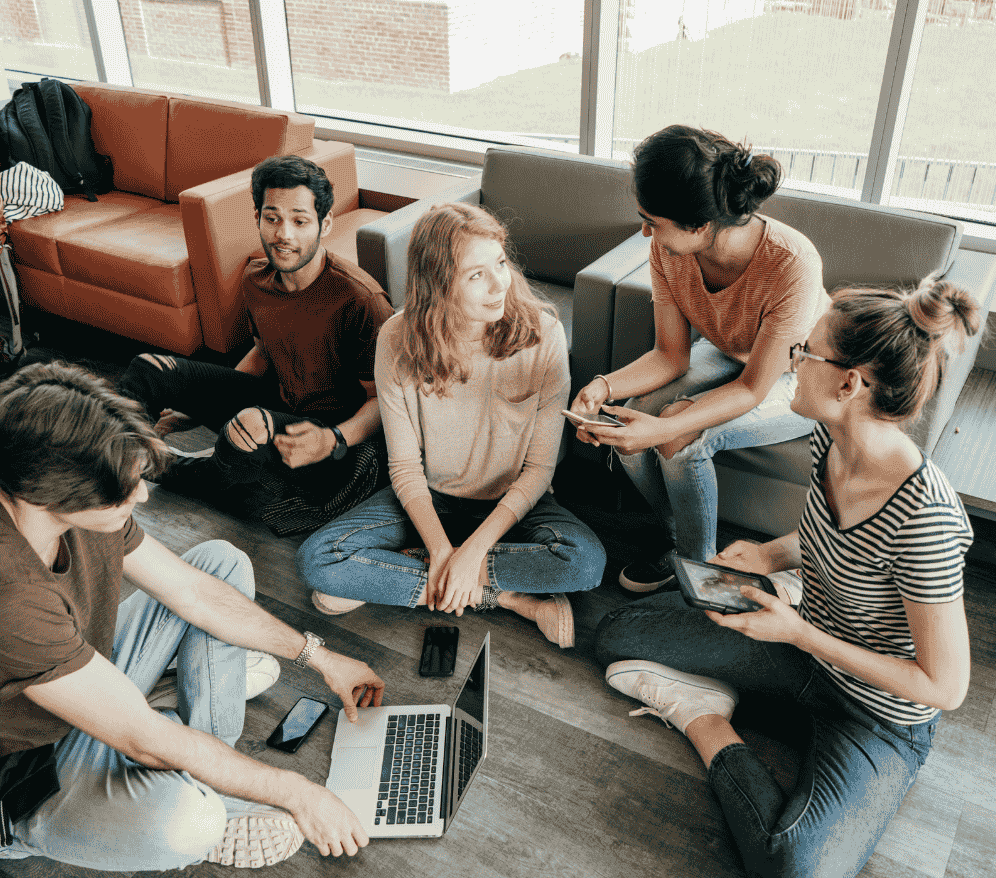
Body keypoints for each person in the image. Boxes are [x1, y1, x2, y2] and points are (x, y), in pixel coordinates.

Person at [592, 277, 978, 878]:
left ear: (850, 384)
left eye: (807, 352)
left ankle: (703, 717)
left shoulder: (925, 522)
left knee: (793, 876)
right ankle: (745, 693)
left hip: (876, 713)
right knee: (616, 635)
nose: (791, 363)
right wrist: (769, 554)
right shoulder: (831, 438)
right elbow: (828, 535)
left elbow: (944, 688)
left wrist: (797, 631)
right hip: (803, 648)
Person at [0, 362, 386, 871]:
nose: (140, 496)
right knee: (190, 824)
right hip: (31, 768)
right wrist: (296, 790)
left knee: (221, 563)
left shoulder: (75, 501)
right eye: (123, 490)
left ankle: (197, 755)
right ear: (46, 494)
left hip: (80, 675)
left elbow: (194, 593)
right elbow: (144, 738)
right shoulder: (11, 592)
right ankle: (36, 829)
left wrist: (321, 657)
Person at [295, 203, 607, 647]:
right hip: (430, 498)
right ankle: (505, 598)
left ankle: (406, 573)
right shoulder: (397, 339)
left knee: (584, 564)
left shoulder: (544, 334)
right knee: (318, 560)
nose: (500, 283)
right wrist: (444, 552)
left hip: (511, 502)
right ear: (438, 284)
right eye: (476, 274)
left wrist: (474, 550)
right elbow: (403, 467)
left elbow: (539, 471)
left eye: (499, 263)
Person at [569, 125, 826, 592]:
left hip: (799, 375)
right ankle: (680, 542)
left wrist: (666, 428)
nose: (645, 230)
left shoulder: (791, 264)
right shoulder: (667, 250)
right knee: (631, 423)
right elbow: (670, 356)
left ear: (700, 224)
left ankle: (701, 569)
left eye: (653, 220)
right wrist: (603, 387)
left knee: (678, 435)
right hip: (730, 353)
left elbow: (753, 387)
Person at [119, 154, 394, 536]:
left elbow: (384, 401)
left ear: (324, 224)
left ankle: (167, 467)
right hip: (277, 403)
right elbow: (265, 353)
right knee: (147, 369)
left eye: (300, 221)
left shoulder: (361, 300)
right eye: (272, 218)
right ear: (258, 219)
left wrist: (332, 440)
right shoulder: (256, 277)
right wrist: (196, 410)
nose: (284, 234)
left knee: (244, 434)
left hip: (325, 436)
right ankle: (112, 471)